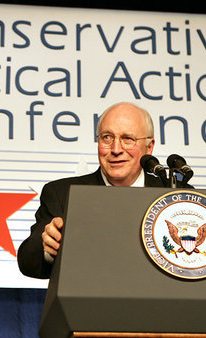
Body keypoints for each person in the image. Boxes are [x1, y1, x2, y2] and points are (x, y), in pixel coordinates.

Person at [17, 102, 192, 279]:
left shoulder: (176, 195)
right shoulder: (62, 193)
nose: (116, 150)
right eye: (107, 138)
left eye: (128, 139)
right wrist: (48, 248)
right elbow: (28, 262)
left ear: (149, 147)